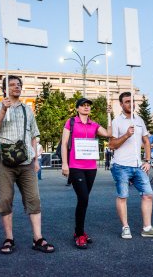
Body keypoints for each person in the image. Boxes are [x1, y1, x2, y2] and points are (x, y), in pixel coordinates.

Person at [0, 75, 54, 254]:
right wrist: (3, 110)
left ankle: (38, 238)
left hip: (26, 162)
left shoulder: (27, 109)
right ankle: (9, 239)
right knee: (5, 200)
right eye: (12, 85)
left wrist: (35, 160)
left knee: (34, 199)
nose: (17, 87)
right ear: (5, 89)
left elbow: (34, 135)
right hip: (4, 161)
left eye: (19, 84)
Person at [109, 92, 153, 239]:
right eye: (127, 101)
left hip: (138, 165)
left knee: (148, 194)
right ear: (121, 104)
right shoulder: (116, 122)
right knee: (123, 196)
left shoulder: (139, 120)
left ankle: (147, 228)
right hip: (120, 165)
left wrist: (147, 161)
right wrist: (126, 135)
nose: (131, 104)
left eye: (132, 101)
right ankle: (125, 227)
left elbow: (146, 141)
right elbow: (112, 144)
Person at [61, 98, 111, 249]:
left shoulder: (94, 124)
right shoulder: (71, 123)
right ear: (77, 108)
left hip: (91, 167)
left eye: (88, 105)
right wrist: (65, 164)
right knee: (83, 198)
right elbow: (64, 143)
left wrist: (109, 115)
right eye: (83, 105)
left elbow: (108, 134)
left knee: (84, 200)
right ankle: (79, 233)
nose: (86, 107)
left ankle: (79, 232)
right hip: (75, 166)